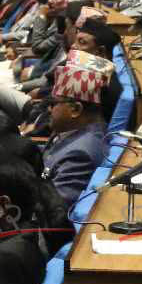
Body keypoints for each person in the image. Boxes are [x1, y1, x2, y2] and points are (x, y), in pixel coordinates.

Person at [40, 51, 113, 204]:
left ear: (75, 110)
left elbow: (53, 209)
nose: (49, 109)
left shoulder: (81, 154)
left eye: (53, 104)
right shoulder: (70, 129)